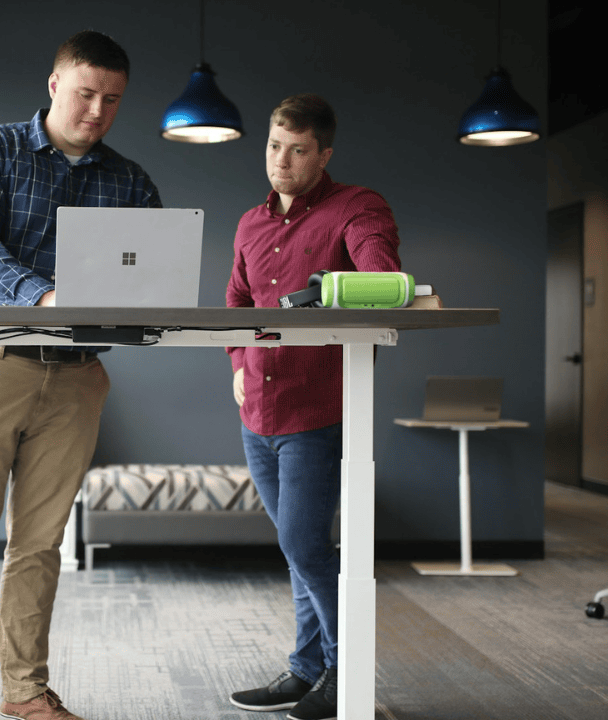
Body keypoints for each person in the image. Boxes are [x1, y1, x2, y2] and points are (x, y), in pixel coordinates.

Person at [0, 30, 161, 720]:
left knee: (41, 546)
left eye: (111, 99)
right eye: (84, 93)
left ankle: (24, 690)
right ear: (53, 85)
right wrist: (43, 296)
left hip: (76, 378)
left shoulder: (130, 181)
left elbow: (152, 271)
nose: (97, 110)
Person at [225, 94, 401, 720]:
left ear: (324, 154)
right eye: (275, 146)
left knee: (303, 545)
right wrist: (239, 366)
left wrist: (360, 282)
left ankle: (343, 673)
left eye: (299, 151)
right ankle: (306, 670)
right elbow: (237, 307)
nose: (283, 161)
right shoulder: (251, 223)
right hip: (259, 412)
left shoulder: (357, 207)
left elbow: (379, 276)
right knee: (296, 547)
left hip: (318, 410)